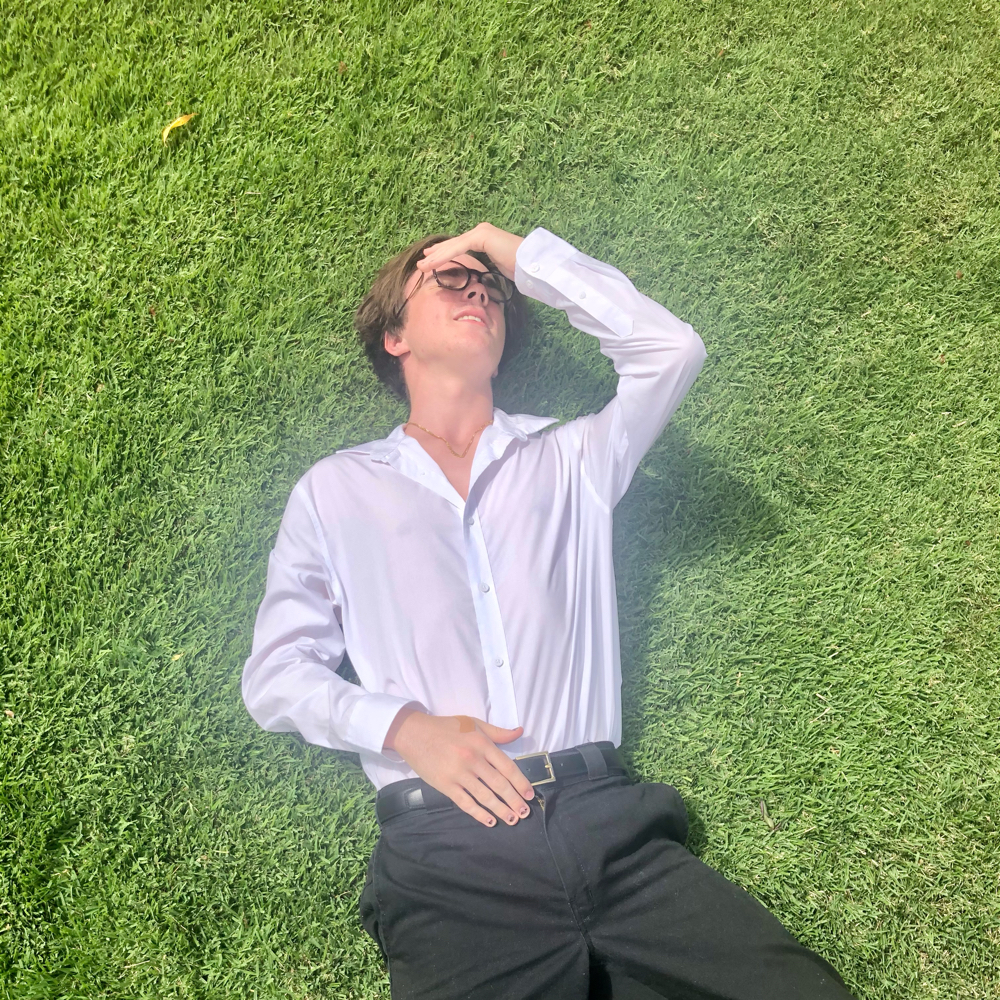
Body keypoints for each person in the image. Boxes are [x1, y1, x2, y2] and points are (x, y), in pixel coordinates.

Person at [242, 223, 856, 999]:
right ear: (395, 338)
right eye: (449, 280)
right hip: (449, 856)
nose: (478, 291)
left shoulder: (572, 459)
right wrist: (405, 729)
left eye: (490, 289)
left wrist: (506, 249)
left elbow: (671, 351)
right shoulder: (336, 490)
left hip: (611, 830)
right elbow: (275, 676)